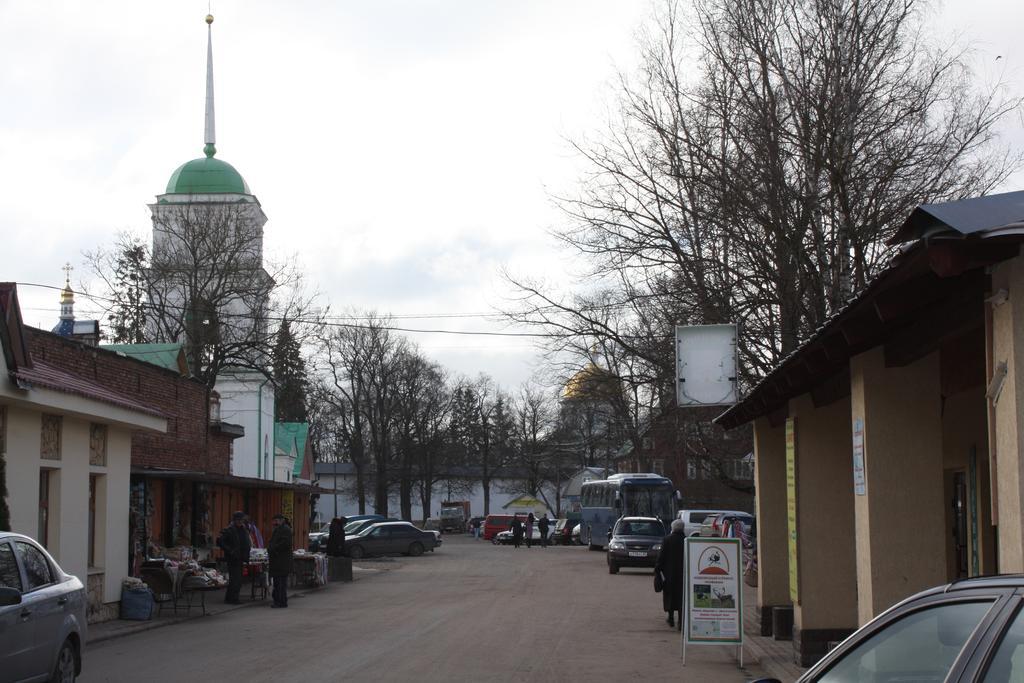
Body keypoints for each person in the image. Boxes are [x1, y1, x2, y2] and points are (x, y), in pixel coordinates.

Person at [655, 518, 686, 629]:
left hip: (669, 574)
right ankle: (681, 622)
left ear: (672, 528)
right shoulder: (687, 540)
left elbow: (661, 556)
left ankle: (671, 617)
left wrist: (657, 569)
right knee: (682, 598)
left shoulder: (667, 540)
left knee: (670, 596)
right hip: (684, 575)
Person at [219, 510, 251, 605]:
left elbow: (246, 541)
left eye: (241, 520)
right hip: (233, 557)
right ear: (235, 520)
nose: (240, 522)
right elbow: (220, 541)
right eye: (238, 520)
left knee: (238, 579)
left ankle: (230, 598)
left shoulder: (243, 529)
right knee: (235, 579)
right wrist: (230, 551)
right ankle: (233, 599)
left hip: (241, 557)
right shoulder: (229, 529)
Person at [268, 513, 294, 608]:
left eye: (276, 521)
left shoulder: (285, 529)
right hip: (278, 561)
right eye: (273, 521)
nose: (274, 523)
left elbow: (285, 544)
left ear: (281, 520)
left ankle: (281, 602)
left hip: (281, 561)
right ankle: (279, 601)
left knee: (280, 583)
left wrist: (273, 548)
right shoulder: (279, 529)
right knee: (278, 582)